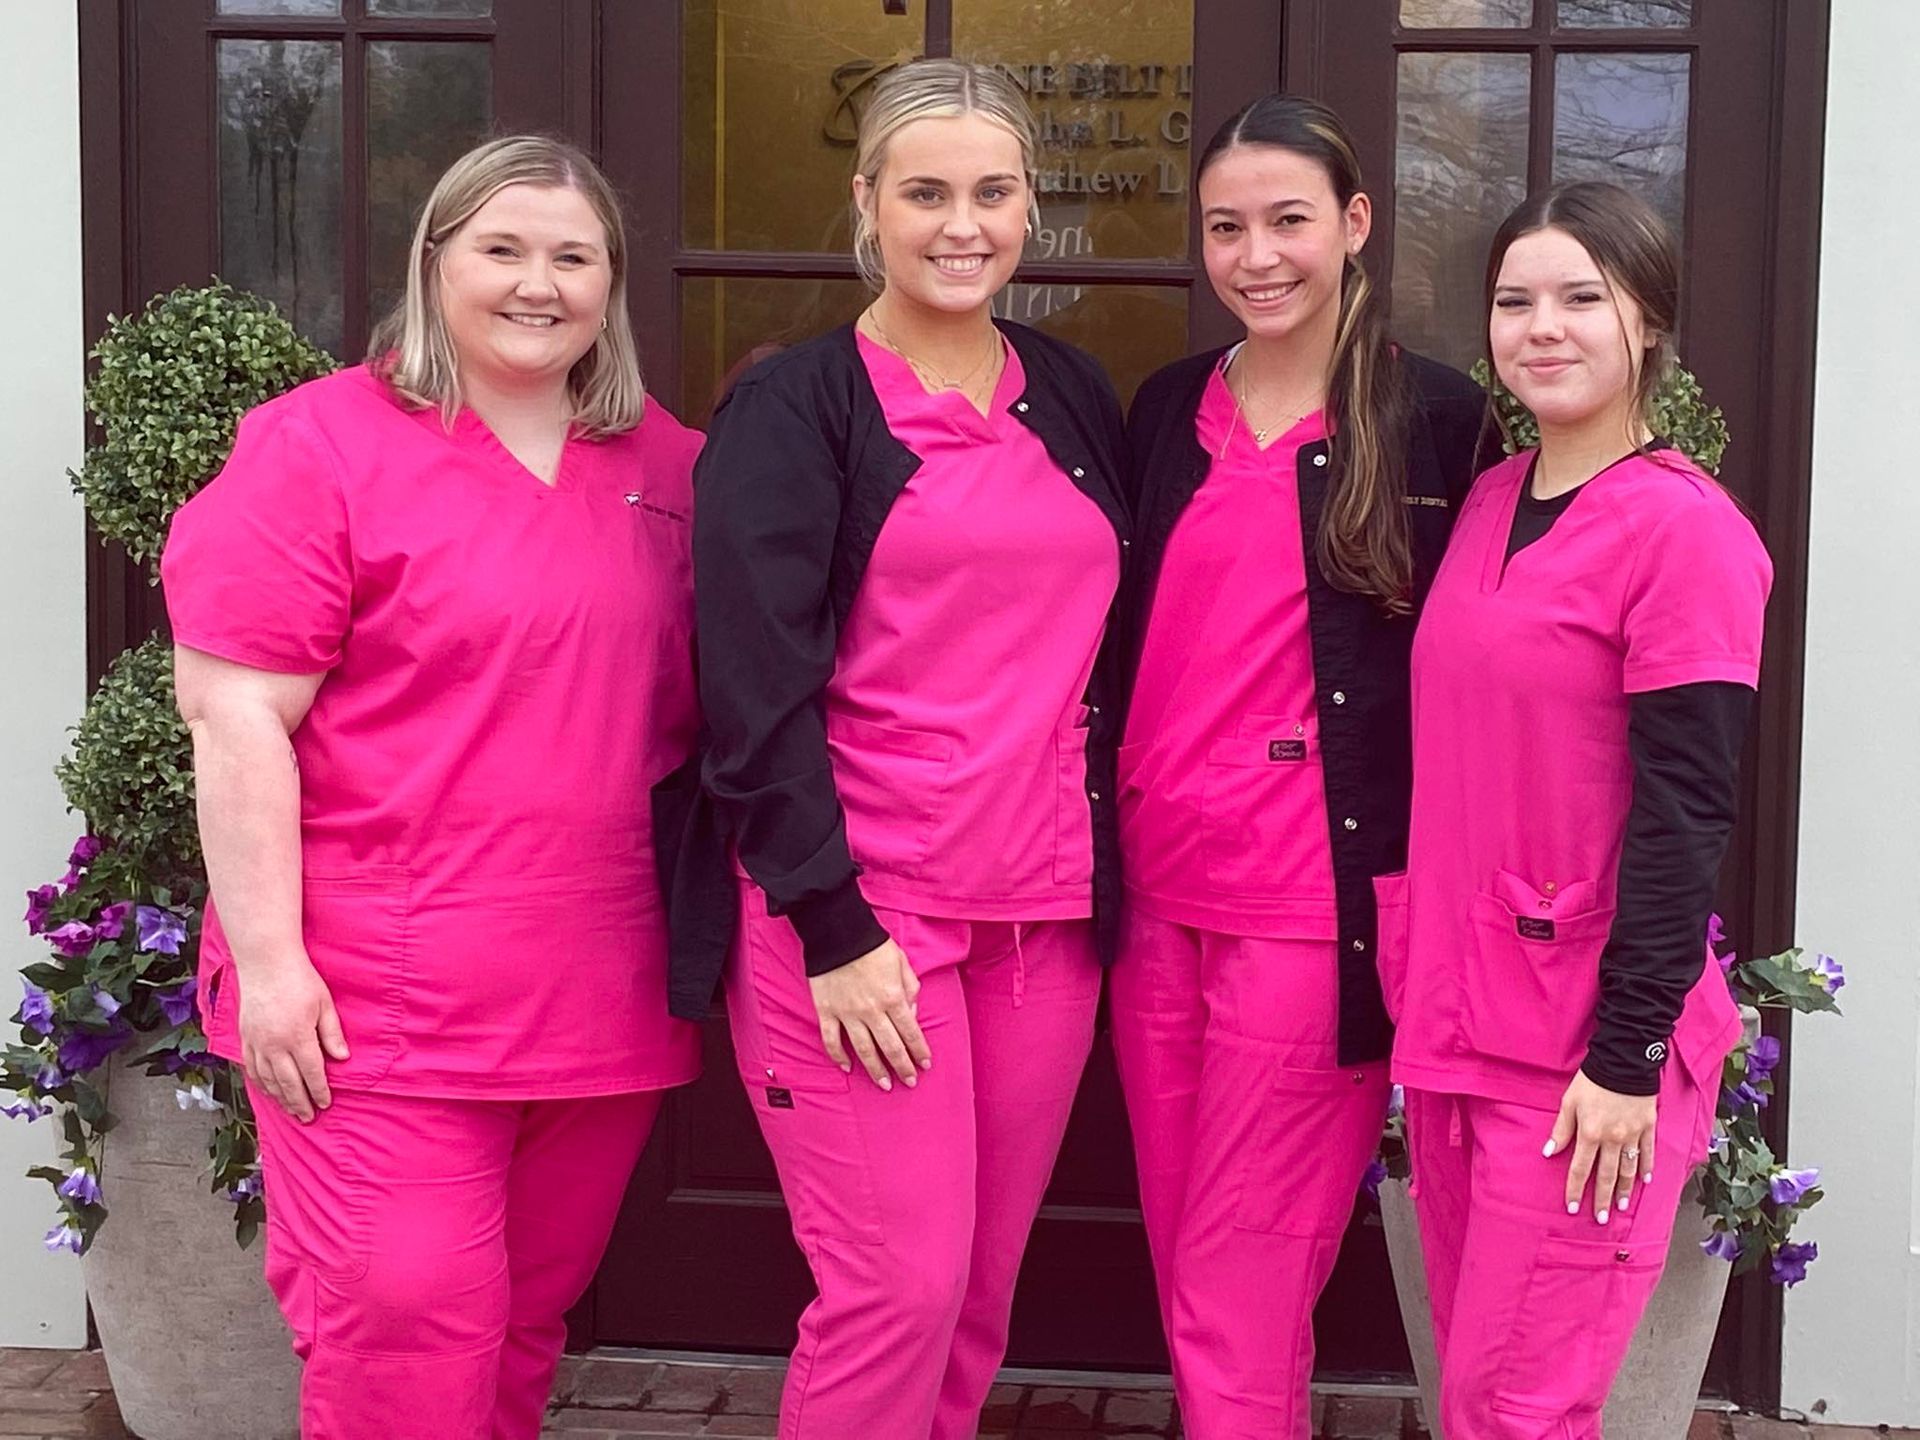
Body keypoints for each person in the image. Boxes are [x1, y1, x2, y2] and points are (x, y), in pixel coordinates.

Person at [161, 135, 704, 1440]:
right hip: (374, 996)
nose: (539, 283)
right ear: (435, 262)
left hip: (599, 989)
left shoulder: (668, 467)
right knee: (404, 1319)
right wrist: (272, 959)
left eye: (572, 256)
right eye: (503, 250)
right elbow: (235, 713)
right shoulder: (318, 448)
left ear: (610, 283)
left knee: (522, 1326)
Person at [678, 58, 1128, 1440]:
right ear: (865, 202)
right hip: (866, 915)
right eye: (925, 191)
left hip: (1041, 915)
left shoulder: (1068, 388)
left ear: (1029, 209)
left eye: (993, 192)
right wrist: (829, 920)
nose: (961, 224)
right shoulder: (797, 409)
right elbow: (747, 697)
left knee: (978, 1291)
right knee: (896, 1290)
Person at [1109, 94, 1487, 1438]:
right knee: (1190, 1267)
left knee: (1240, 1275)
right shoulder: (1165, 411)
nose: (1256, 255)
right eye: (1225, 228)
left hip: (1310, 921)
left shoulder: (1436, 423)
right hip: (1154, 910)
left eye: (1287, 221)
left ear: (1355, 224)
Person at [1392, 180, 1772, 1436]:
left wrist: (1624, 1061)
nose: (1542, 326)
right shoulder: (1491, 500)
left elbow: (1686, 810)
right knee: (1477, 1397)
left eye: (1579, 298)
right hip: (1460, 1023)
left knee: (1522, 1410)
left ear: (1647, 322)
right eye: (1514, 300)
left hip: (1578, 1061)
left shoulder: (1685, 533)